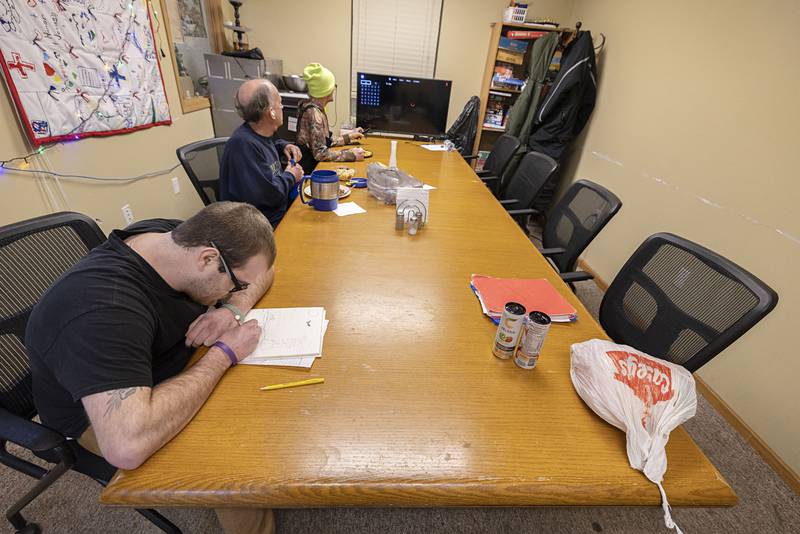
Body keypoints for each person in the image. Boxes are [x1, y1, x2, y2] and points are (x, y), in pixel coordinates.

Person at [26, 202, 277, 534]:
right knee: (227, 462)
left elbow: (264, 271)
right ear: (207, 260)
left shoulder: (175, 236)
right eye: (237, 285)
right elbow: (126, 446)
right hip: (101, 418)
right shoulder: (104, 309)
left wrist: (232, 306)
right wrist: (223, 354)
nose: (240, 290)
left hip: (163, 364)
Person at [219, 78, 304, 228]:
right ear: (271, 112)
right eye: (280, 102)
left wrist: (284, 145)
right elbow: (268, 195)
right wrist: (291, 175)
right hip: (261, 228)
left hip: (278, 213)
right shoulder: (242, 145)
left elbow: (265, 143)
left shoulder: (258, 132)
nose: (282, 106)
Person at [295, 63, 365, 174]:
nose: (334, 89)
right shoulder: (314, 115)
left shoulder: (314, 108)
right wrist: (351, 155)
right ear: (325, 91)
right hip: (310, 172)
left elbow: (322, 142)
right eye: (333, 86)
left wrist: (349, 136)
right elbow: (320, 154)